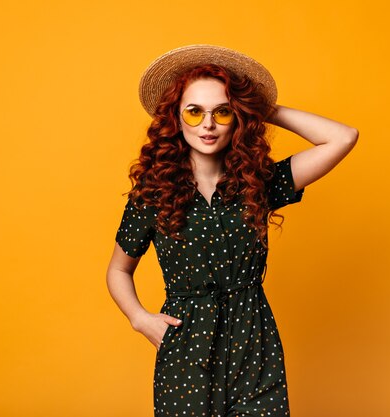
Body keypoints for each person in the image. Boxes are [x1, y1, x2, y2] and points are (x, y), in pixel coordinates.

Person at [106, 44, 358, 416]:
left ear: (235, 116)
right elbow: (118, 269)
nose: (207, 125)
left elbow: (343, 137)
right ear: (176, 118)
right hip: (186, 345)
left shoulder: (259, 182)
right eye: (194, 112)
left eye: (221, 112)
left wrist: (257, 108)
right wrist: (139, 318)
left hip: (253, 342)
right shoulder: (153, 194)